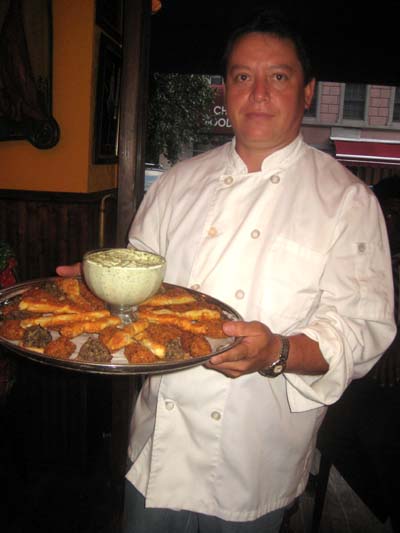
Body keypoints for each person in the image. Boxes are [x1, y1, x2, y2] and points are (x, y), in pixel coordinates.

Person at [58, 10, 396, 533]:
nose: (258, 93)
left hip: (253, 466)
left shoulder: (348, 201)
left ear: (307, 92)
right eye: (243, 77)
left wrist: (277, 351)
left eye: (278, 77)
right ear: (225, 90)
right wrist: (97, 290)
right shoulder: (177, 182)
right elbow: (141, 284)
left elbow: (361, 330)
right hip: (155, 454)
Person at [316, 175, 400, 532]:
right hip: (366, 373)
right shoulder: (359, 249)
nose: (389, 223)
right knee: (336, 428)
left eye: (395, 214)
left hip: (384, 380)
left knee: (375, 427)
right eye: (386, 214)